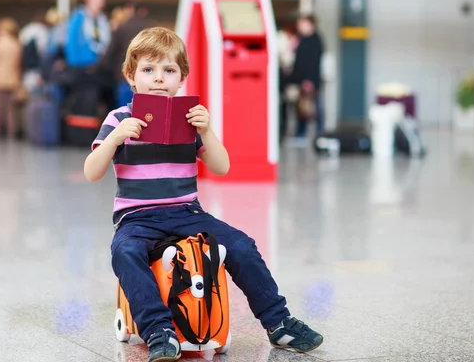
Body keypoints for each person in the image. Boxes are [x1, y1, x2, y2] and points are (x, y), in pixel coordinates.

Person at [83, 27, 323, 362]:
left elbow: (221, 166)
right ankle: (158, 330)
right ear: (131, 76)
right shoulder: (118, 118)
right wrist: (114, 139)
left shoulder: (187, 120)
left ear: (181, 78)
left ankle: (278, 321)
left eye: (168, 71)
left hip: (187, 213)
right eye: (148, 70)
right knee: (124, 252)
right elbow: (91, 171)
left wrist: (206, 131)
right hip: (136, 217)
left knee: (241, 244)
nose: (158, 79)